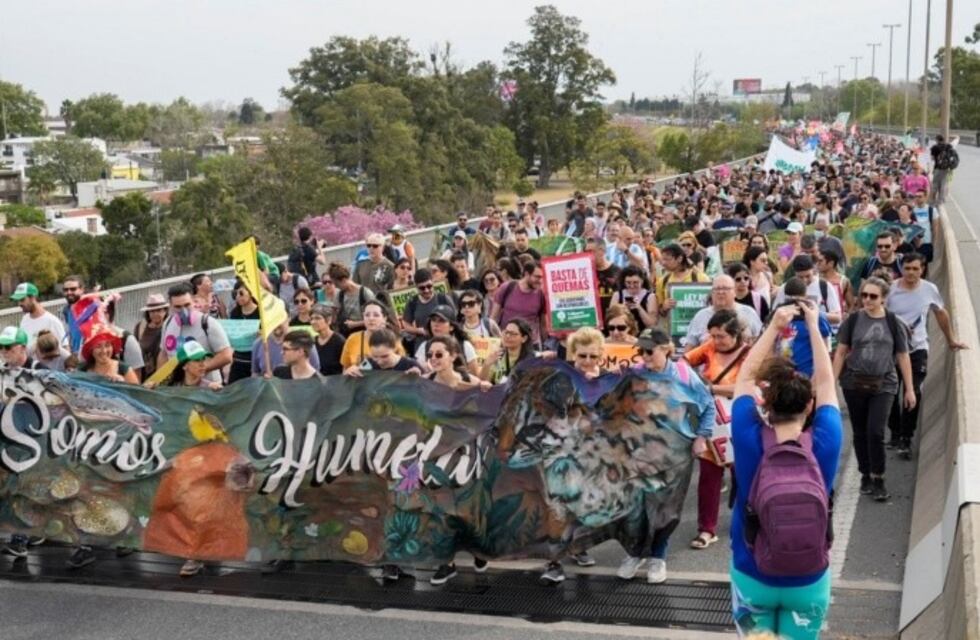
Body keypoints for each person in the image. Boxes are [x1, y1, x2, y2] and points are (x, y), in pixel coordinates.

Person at [729, 303, 842, 640]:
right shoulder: (827, 439)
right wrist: (814, 325)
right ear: (810, 405)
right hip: (809, 579)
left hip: (752, 573)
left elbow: (746, 377)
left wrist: (775, 326)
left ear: (765, 403)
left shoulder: (749, 437)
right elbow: (825, 381)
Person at [616, 328, 715, 583]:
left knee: (665, 507)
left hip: (675, 451)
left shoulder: (683, 374)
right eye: (642, 351)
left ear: (666, 349)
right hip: (639, 450)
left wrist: (701, 437)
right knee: (636, 505)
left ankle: (658, 556)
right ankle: (635, 553)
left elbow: (708, 405)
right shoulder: (635, 374)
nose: (645, 356)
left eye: (650, 351)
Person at [833, 277, 915, 502]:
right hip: (853, 383)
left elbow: (902, 355)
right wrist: (830, 383)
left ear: (884, 299)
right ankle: (865, 475)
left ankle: (878, 477)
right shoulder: (852, 320)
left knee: (876, 432)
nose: (867, 300)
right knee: (859, 432)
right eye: (864, 295)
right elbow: (840, 352)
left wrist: (909, 389)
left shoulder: (893, 322)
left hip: (884, 384)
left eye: (873, 296)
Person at [540, 327, 607, 583]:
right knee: (557, 507)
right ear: (572, 355)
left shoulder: (607, 382)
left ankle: (578, 547)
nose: (587, 361)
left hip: (590, 454)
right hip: (558, 451)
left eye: (592, 356)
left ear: (601, 355)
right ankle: (553, 562)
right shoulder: (560, 379)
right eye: (582, 356)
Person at [885, 253, 967, 456]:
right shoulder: (891, 290)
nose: (911, 273)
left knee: (913, 392)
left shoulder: (929, 290)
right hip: (891, 349)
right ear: (901, 268)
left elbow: (941, 313)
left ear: (922, 270)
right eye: (907, 268)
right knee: (890, 393)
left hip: (917, 348)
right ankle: (895, 433)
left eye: (915, 269)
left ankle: (906, 438)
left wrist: (951, 340)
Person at [684, 310, 748, 552]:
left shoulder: (750, 354)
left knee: (743, 475)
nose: (716, 341)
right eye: (712, 336)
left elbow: (748, 387)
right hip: (712, 422)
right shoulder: (709, 347)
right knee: (709, 479)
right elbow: (684, 362)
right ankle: (706, 529)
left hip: (740, 423)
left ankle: (744, 523)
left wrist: (713, 389)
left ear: (735, 335)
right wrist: (695, 383)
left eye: (721, 336)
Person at [159, 282, 233, 385]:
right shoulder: (168, 323)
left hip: (207, 387)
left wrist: (200, 368)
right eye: (178, 307)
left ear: (194, 301)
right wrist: (160, 380)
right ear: (170, 306)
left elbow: (226, 355)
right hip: (179, 388)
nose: (183, 310)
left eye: (187, 305)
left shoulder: (208, 323)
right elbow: (163, 353)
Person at [774, 279, 833, 376]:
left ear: (805, 296)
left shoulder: (815, 317)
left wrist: (817, 374)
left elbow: (826, 348)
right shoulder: (780, 315)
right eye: (791, 298)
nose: (795, 302)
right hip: (783, 373)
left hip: (808, 373)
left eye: (798, 298)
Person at [684, 275, 762, 348]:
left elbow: (761, 343)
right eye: (717, 289)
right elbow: (688, 351)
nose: (720, 292)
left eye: (725, 289)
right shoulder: (700, 316)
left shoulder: (749, 313)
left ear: (734, 292)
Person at [772, 255, 842, 328]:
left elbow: (837, 318)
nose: (804, 280)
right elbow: (775, 314)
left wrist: (815, 314)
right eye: (800, 277)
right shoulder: (786, 288)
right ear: (795, 274)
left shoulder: (824, 286)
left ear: (814, 270)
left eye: (808, 276)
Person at [413, 305, 480, 376]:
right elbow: (420, 376)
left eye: (442, 321)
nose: (436, 324)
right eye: (433, 320)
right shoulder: (424, 346)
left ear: (451, 327)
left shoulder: (465, 345)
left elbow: (475, 377)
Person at [491, 261, 546, 346]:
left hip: (530, 345)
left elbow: (543, 324)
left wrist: (546, 345)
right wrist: (494, 340)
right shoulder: (507, 287)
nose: (540, 281)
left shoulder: (541, 294)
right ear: (527, 274)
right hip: (507, 341)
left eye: (542, 277)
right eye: (537, 277)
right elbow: (493, 318)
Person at [341, 301, 403, 372]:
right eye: (367, 315)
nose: (371, 318)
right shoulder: (352, 339)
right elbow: (346, 367)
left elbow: (402, 365)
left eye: (376, 315)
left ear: (384, 318)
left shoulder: (392, 338)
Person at [402, 268, 455, 349]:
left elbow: (454, 321)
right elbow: (406, 324)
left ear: (433, 282)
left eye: (429, 286)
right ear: (416, 287)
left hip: (444, 343)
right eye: (422, 288)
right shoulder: (412, 302)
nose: (426, 290)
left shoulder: (443, 299)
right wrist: (418, 330)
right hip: (422, 345)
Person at [480, 319, 535, 384]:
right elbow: (483, 383)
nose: (508, 336)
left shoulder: (531, 359)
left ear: (524, 338)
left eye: (513, 334)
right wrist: (486, 365)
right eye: (506, 332)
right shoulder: (497, 356)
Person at [11, 282, 65, 349]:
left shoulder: (52, 321)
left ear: (33, 298)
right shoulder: (24, 319)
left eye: (22, 300)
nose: (19, 304)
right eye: (18, 300)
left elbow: (65, 348)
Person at [330, 262, 376, 337]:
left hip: (365, 332)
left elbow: (376, 319)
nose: (337, 287)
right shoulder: (339, 295)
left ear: (344, 280)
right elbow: (335, 315)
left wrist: (355, 324)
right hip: (347, 334)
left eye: (337, 285)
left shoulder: (365, 293)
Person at [227, 283, 261, 384]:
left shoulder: (260, 312)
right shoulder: (235, 312)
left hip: (254, 357)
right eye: (235, 294)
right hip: (238, 358)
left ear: (251, 294)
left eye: (241, 293)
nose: (238, 297)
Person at [134, 294, 169, 382]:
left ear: (165, 311)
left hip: (165, 375)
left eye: (159, 310)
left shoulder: (170, 327)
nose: (155, 314)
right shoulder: (140, 327)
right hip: (144, 375)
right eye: (152, 311)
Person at [309, 304, 345, 376]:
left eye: (317, 318)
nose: (313, 322)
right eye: (311, 319)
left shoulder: (339, 341)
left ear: (328, 320)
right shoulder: (312, 341)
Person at [61, 275, 87, 355]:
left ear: (82, 289)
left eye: (73, 289)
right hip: (74, 356)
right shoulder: (64, 312)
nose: (69, 292)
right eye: (66, 290)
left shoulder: (91, 308)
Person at [929, 134, 955, 205]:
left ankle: (932, 201)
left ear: (937, 140)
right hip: (946, 169)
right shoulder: (948, 146)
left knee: (935, 185)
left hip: (937, 168)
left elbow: (932, 158)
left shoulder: (934, 147)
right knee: (943, 184)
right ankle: (940, 201)